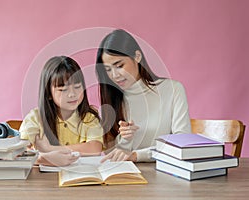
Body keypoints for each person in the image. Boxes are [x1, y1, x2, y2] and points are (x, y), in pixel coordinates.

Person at [95, 29, 191, 162]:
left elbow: (182, 143)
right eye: (108, 70)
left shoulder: (173, 90)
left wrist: (137, 155)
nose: (114, 75)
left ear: (137, 57)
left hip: (165, 173)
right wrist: (126, 140)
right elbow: (110, 154)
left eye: (119, 65)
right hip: (127, 175)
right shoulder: (114, 99)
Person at [20, 56, 104, 166]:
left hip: (79, 177)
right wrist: (43, 159)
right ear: (49, 94)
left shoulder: (88, 117)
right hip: (44, 179)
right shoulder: (36, 118)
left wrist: (49, 149)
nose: (72, 94)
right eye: (63, 90)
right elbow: (19, 152)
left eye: (77, 87)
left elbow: (95, 148)